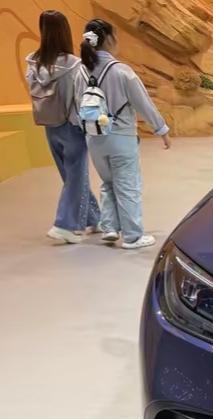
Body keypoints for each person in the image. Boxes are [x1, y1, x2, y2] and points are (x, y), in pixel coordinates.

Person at [74, 19, 171, 249]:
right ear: (109, 39)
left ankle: (109, 227)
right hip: (121, 136)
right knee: (128, 186)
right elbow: (143, 103)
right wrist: (161, 129)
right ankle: (132, 236)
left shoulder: (80, 72)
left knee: (108, 183)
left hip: (94, 138)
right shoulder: (121, 71)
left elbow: (77, 106)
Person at [26, 10, 101, 245]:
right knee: (76, 176)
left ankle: (94, 218)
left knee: (71, 176)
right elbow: (80, 98)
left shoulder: (33, 63)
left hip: (49, 124)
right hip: (72, 125)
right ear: (65, 32)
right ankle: (64, 225)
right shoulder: (73, 64)